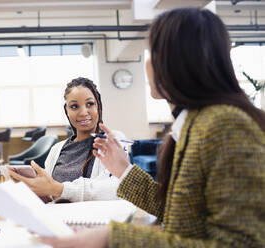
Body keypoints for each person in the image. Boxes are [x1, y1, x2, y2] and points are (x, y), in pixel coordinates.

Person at [40, 7, 265, 248]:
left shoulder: (227, 126)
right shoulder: (194, 123)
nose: (148, 61)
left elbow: (240, 243)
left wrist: (111, 238)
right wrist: (123, 170)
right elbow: (174, 209)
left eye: (153, 51)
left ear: (178, 61)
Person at [8, 77, 127, 202]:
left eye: (90, 104)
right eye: (74, 106)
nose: (83, 112)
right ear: (67, 110)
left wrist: (60, 189)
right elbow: (48, 194)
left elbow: (114, 188)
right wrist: (30, 188)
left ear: (98, 106)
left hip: (92, 219)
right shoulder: (56, 150)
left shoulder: (113, 141)